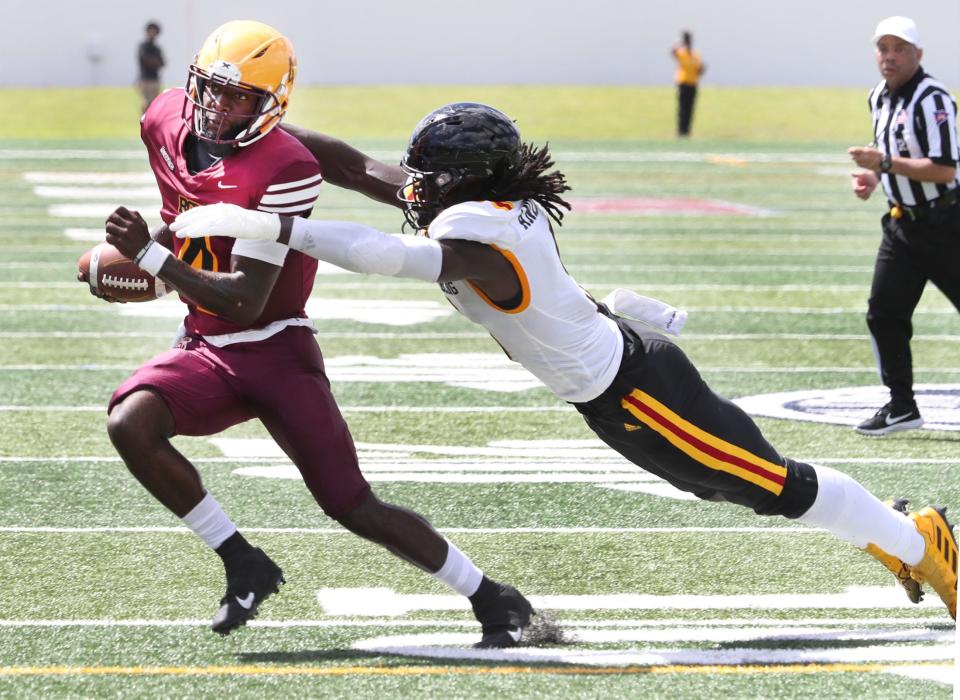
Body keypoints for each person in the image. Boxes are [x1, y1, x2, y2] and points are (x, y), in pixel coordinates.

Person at [174, 102, 958, 620]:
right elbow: (356, 170)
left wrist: (276, 230)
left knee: (773, 485)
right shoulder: (475, 202)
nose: (414, 185)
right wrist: (258, 132)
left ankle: (924, 539)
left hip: (635, 390)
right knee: (737, 486)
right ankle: (896, 535)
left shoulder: (481, 234)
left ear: (468, 180)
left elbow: (383, 254)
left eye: (431, 176)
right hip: (611, 385)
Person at [83, 22, 536, 649]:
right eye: (212, 89)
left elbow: (247, 300)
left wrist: (154, 264)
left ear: (272, 103)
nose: (219, 107)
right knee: (130, 423)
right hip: (206, 344)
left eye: (240, 97)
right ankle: (244, 561)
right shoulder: (163, 119)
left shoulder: (284, 164)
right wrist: (145, 258)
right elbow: (183, 213)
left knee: (351, 505)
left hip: (275, 347)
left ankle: (492, 596)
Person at [848, 16, 960, 437]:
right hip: (902, 226)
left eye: (900, 49)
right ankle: (901, 405)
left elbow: (944, 170)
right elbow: (893, 152)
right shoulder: (878, 96)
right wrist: (875, 178)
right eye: (884, 48)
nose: (890, 56)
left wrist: (886, 165)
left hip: (948, 223)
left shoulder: (934, 99)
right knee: (884, 314)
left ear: (918, 55)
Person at [671, 31, 705, 137]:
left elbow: (699, 70)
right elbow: (672, 52)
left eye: (689, 39)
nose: (689, 41)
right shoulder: (682, 53)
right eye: (687, 39)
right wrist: (681, 43)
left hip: (693, 83)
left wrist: (702, 69)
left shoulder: (696, 55)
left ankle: (687, 130)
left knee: (691, 108)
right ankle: (680, 130)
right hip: (683, 83)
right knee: (682, 108)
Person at [137, 21, 165, 113]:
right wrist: (154, 61)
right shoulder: (143, 46)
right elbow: (146, 61)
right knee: (146, 103)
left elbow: (162, 63)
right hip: (145, 79)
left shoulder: (157, 48)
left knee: (154, 104)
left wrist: (153, 61)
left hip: (154, 79)